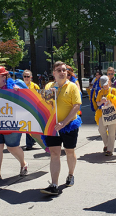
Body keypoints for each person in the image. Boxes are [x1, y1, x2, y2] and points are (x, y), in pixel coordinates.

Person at [40, 61, 82, 195]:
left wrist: (64, 122)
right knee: (54, 154)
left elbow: (76, 106)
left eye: (64, 70)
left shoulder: (72, 86)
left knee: (69, 151)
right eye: (59, 70)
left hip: (69, 125)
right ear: (54, 73)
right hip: (53, 126)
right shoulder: (48, 86)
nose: (62, 72)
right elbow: (44, 105)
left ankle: (70, 174)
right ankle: (54, 185)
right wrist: (49, 96)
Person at [0, 66, 28, 182]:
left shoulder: (14, 87)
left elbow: (27, 99)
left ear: (4, 77)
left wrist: (19, 93)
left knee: (12, 147)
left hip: (12, 122)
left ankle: (23, 164)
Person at [95, 75, 116, 156]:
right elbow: (97, 103)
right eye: (103, 84)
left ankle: (110, 150)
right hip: (102, 113)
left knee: (112, 132)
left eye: (106, 83)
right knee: (101, 130)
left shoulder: (113, 90)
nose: (105, 85)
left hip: (112, 113)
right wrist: (101, 101)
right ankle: (107, 144)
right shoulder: (100, 92)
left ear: (109, 82)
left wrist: (110, 98)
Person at [23, 69, 39, 150]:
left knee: (33, 127)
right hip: (23, 109)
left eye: (28, 76)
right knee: (27, 127)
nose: (26, 78)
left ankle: (32, 140)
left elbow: (39, 96)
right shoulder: (19, 85)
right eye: (25, 76)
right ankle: (29, 144)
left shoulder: (35, 86)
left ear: (31, 77)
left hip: (33, 108)